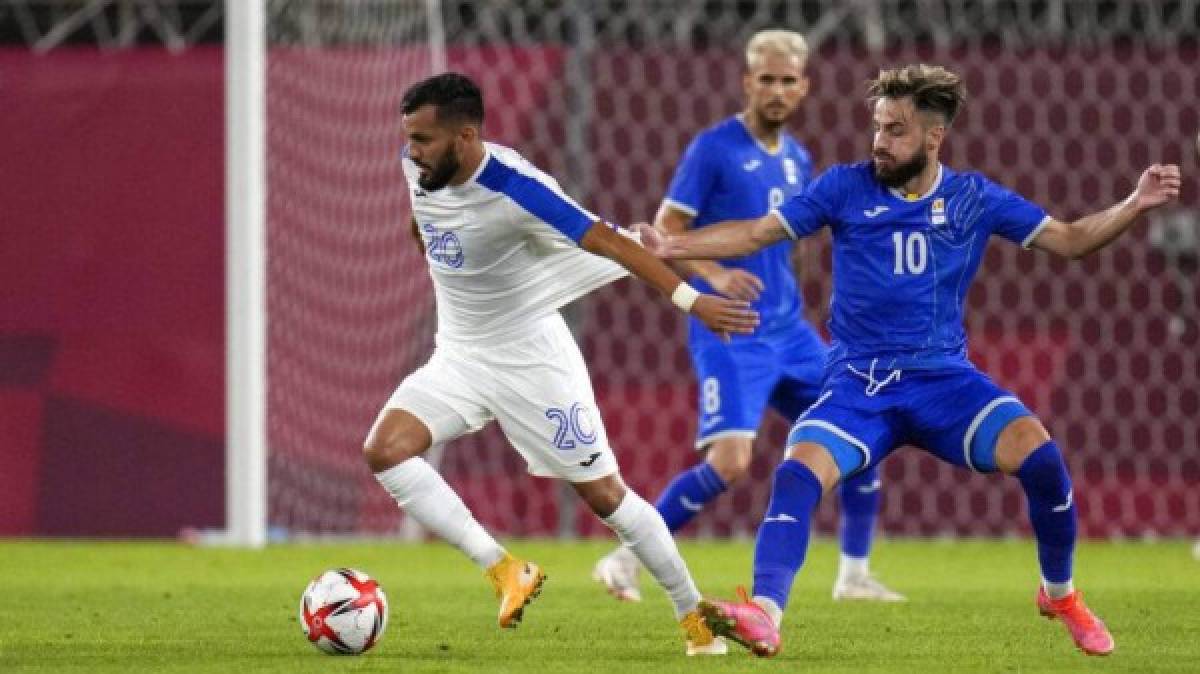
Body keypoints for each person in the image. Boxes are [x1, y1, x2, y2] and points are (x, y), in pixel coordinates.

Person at [636, 64, 1181, 657]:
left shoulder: (974, 198)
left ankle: (1061, 595)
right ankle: (764, 614)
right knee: (796, 472)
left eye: (895, 130)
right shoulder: (844, 187)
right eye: (876, 127)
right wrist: (673, 245)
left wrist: (1136, 202)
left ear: (932, 137)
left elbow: (1073, 239)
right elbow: (757, 233)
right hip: (859, 383)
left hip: (943, 380)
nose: (879, 142)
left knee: (1041, 457)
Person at [365, 72, 760, 655]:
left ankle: (693, 616)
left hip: (532, 361)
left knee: (606, 497)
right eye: (410, 139)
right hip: (460, 356)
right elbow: (424, 212)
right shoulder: (418, 166)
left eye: (424, 140)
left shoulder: (517, 190)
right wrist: (424, 235)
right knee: (385, 450)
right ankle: (503, 569)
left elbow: (612, 242)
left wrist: (693, 300)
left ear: (466, 136)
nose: (412, 152)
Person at [592, 29, 902, 604]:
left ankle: (854, 576)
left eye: (788, 80)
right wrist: (715, 275)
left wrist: (806, 286)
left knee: (865, 424)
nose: (777, 90)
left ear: (804, 87)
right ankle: (625, 559)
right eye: (767, 79)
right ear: (747, 82)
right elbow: (667, 231)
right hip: (731, 328)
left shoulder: (797, 157)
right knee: (731, 462)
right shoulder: (713, 149)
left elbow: (797, 236)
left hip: (789, 329)